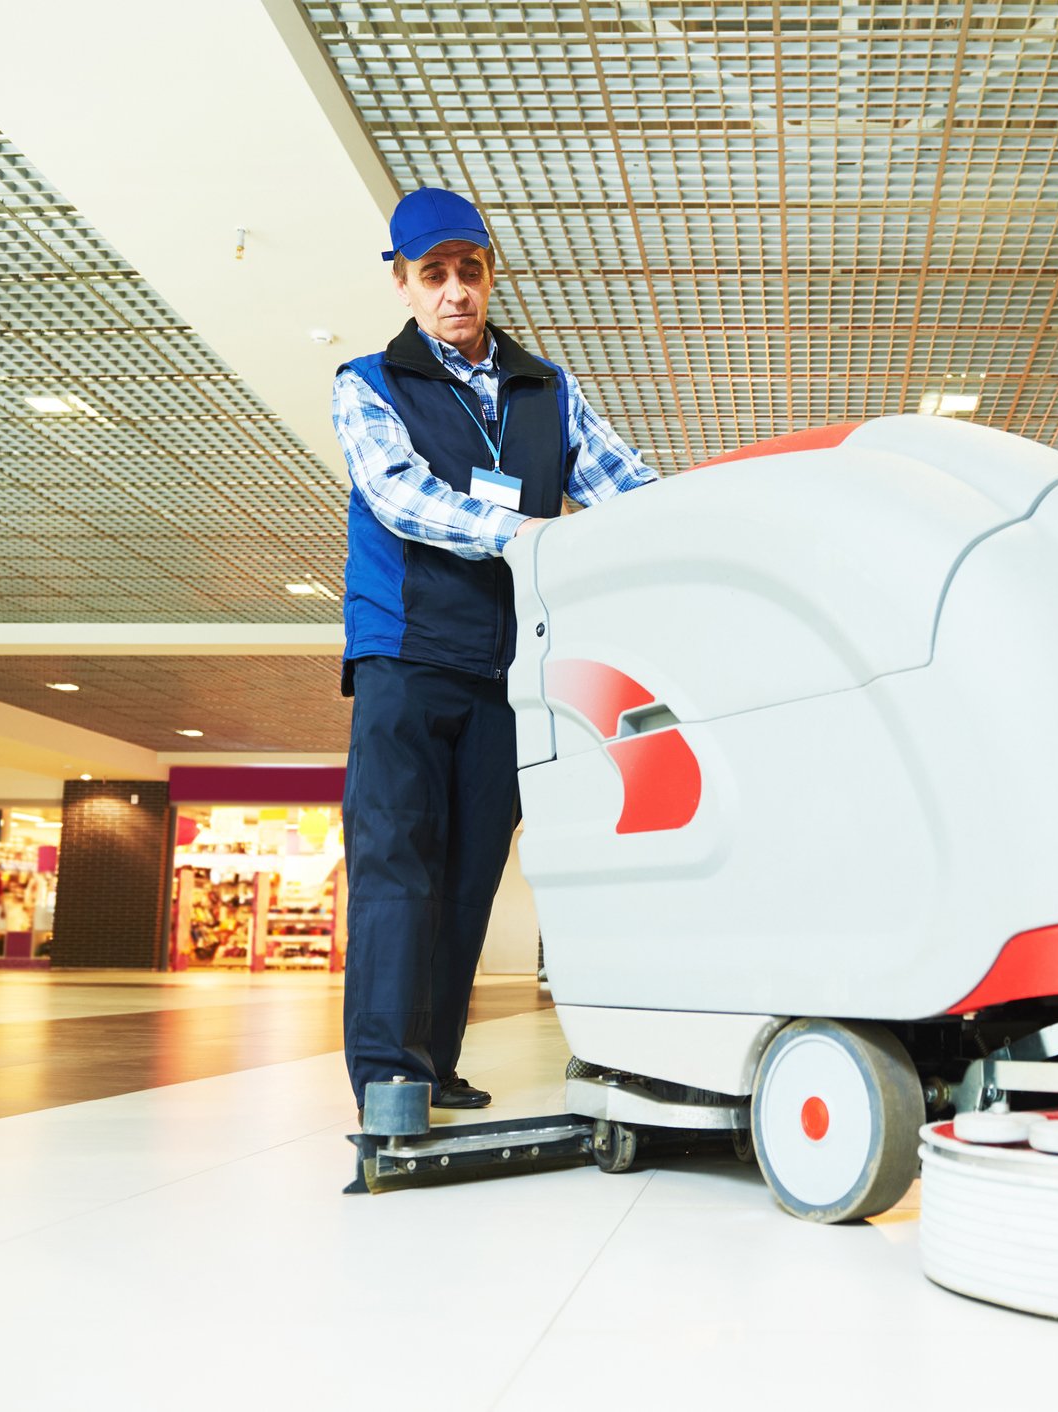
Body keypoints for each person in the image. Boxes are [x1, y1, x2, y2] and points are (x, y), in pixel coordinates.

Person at [332, 187, 659, 1113]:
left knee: (472, 872)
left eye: (468, 270)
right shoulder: (367, 384)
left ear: (488, 274)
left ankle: (433, 1058)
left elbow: (623, 485)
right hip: (405, 657)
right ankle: (388, 1074)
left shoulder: (547, 389)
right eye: (432, 274)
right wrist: (528, 530)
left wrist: (700, 521)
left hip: (507, 671)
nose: (454, 291)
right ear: (403, 284)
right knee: (399, 863)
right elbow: (398, 497)